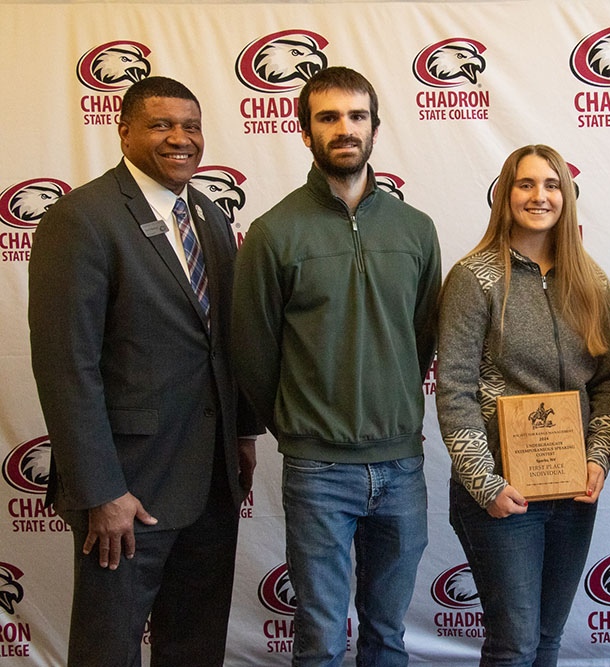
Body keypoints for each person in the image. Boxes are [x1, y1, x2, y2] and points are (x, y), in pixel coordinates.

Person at [27, 76, 259, 666]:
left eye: (191, 126)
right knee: (109, 646)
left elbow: (223, 339)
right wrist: (102, 489)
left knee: (195, 642)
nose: (181, 139)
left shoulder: (205, 213)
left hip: (210, 479)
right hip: (127, 488)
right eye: (161, 125)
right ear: (124, 130)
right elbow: (66, 367)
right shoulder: (81, 218)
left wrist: (241, 433)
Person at [232, 66, 441, 666]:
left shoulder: (415, 229)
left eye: (357, 116)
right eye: (328, 117)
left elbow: (423, 337)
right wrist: (301, 425)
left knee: (387, 634)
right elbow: (253, 350)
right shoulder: (274, 233)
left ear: (375, 128)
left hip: (401, 464)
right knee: (321, 636)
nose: (344, 129)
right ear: (304, 132)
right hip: (318, 469)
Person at [436, 144, 610, 666]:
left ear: (567, 195)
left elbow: (608, 382)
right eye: (526, 184)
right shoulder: (475, 278)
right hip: (501, 495)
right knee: (513, 644)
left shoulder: (593, 280)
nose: (540, 196)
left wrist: (598, 458)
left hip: (573, 494)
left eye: (552, 184)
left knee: (545, 640)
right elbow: (454, 388)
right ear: (505, 195)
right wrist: (485, 483)